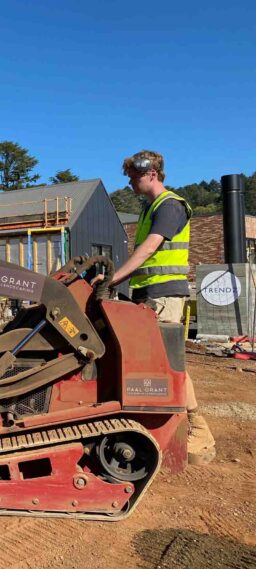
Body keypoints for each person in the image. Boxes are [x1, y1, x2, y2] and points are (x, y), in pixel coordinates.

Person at [92, 150, 215, 465]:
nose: (130, 182)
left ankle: (198, 434)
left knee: (168, 367)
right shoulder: (149, 210)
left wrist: (113, 278)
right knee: (147, 365)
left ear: (152, 173)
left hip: (163, 296)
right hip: (147, 295)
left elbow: (148, 250)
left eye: (134, 176)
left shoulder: (170, 206)